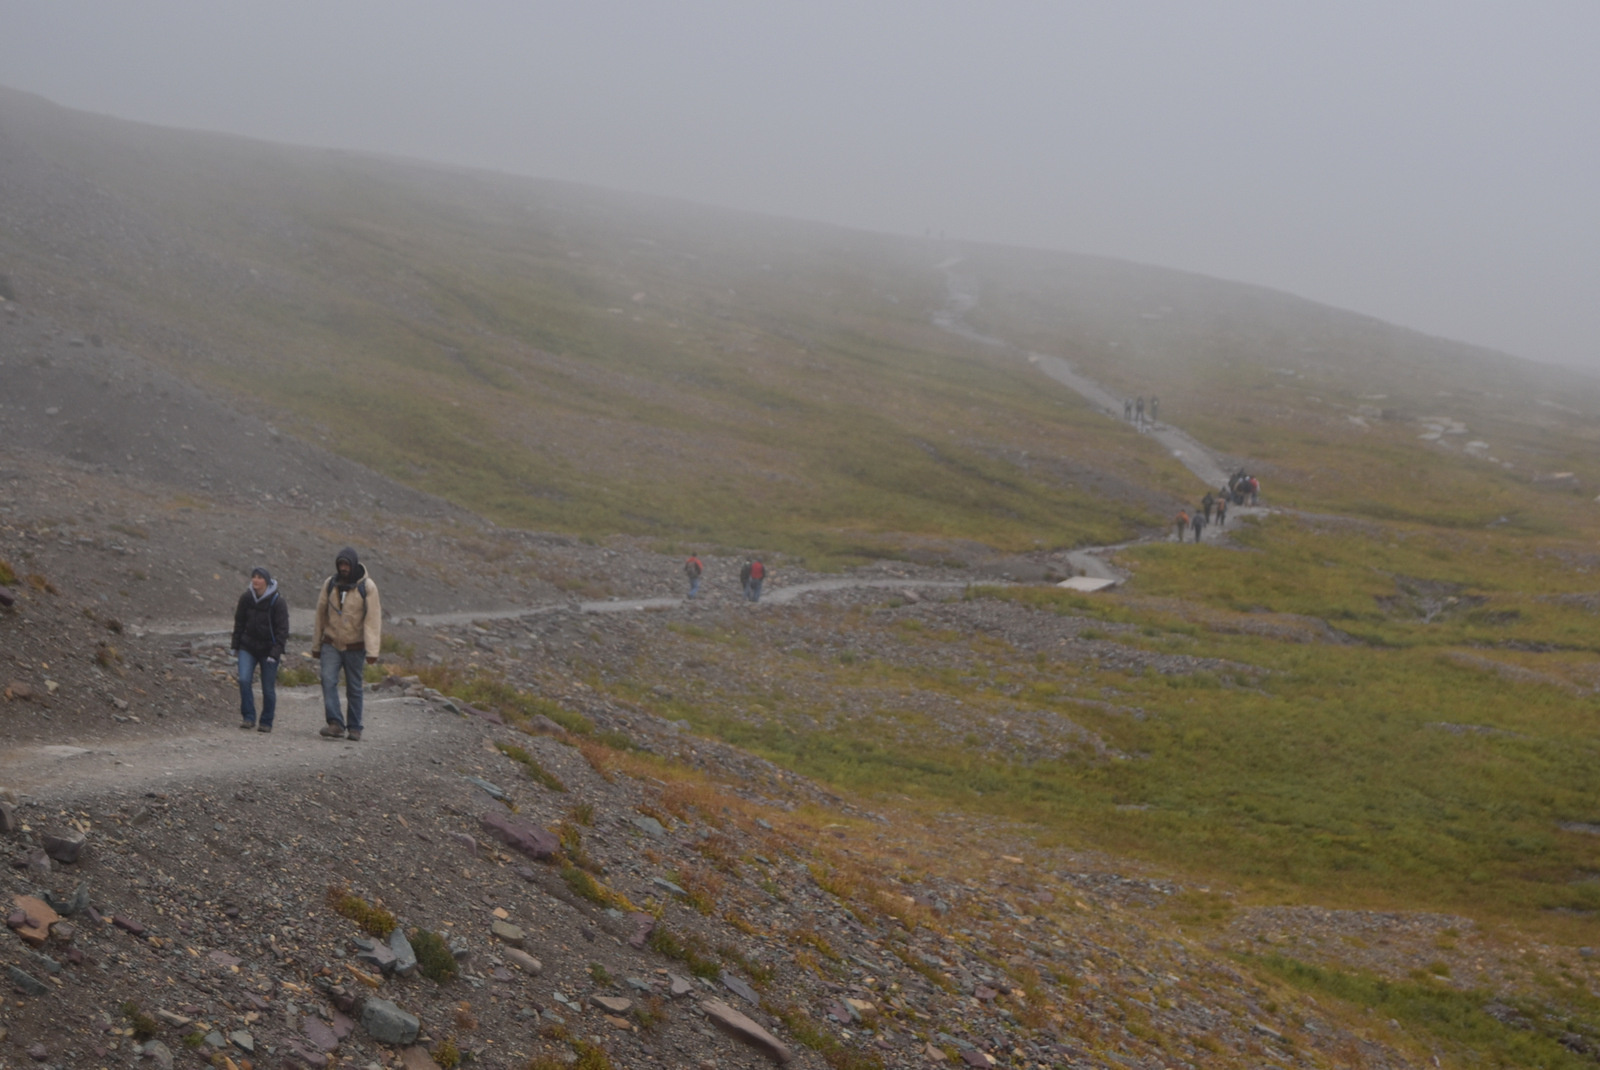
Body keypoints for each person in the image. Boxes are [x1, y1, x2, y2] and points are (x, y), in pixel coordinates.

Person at [312, 547, 382, 742]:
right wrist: (316, 645)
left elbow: (373, 619)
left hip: (355, 646)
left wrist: (372, 650)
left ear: (353, 564)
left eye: (346, 564)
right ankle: (335, 723)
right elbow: (320, 615)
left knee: (354, 687)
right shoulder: (330, 584)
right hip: (331, 643)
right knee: (327, 680)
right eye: (340, 564)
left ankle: (354, 727)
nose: (343, 568)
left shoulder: (367, 587)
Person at [231, 567, 288, 733]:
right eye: (253, 577)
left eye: (259, 577)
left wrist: (276, 651)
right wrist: (235, 645)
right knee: (243, 680)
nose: (255, 580)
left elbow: (283, 629)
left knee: (268, 687)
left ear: (267, 581)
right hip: (247, 646)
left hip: (269, 650)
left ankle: (266, 721)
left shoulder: (277, 601)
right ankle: (248, 717)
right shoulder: (246, 598)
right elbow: (239, 622)